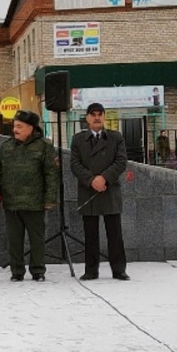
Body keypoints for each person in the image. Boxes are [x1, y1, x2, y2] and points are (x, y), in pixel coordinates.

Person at [0, 109, 59, 282]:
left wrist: (50, 199)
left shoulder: (44, 146)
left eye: (20, 126)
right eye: (14, 126)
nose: (15, 130)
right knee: (14, 240)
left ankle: (38, 271)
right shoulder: (6, 146)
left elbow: (51, 174)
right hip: (11, 202)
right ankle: (17, 271)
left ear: (31, 128)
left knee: (37, 239)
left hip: (35, 203)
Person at [70, 103, 129, 281]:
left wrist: (103, 178)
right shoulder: (78, 139)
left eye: (100, 114)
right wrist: (91, 180)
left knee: (115, 233)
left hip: (109, 190)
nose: (96, 118)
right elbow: (74, 164)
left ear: (104, 117)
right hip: (89, 191)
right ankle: (91, 270)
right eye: (93, 114)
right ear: (87, 118)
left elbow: (121, 162)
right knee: (90, 234)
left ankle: (119, 269)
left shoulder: (115, 137)